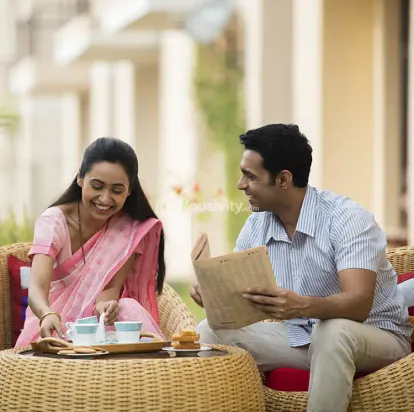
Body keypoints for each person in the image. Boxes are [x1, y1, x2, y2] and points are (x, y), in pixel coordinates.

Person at [192, 124, 413, 412]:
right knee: (209, 332)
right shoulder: (256, 226)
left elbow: (358, 304)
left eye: (250, 176)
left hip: (376, 336)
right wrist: (214, 296)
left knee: (332, 331)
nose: (240, 184)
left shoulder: (347, 219)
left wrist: (301, 306)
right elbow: (244, 301)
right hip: (304, 339)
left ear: (283, 179)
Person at [16, 137, 165, 347]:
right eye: (97, 186)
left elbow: (109, 290)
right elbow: (37, 288)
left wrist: (106, 307)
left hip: (96, 328)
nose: (104, 198)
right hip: (51, 328)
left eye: (116, 190)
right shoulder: (54, 222)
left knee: (127, 308)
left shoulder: (128, 230)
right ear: (80, 178)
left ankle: (148, 365)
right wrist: (47, 314)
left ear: (129, 190)